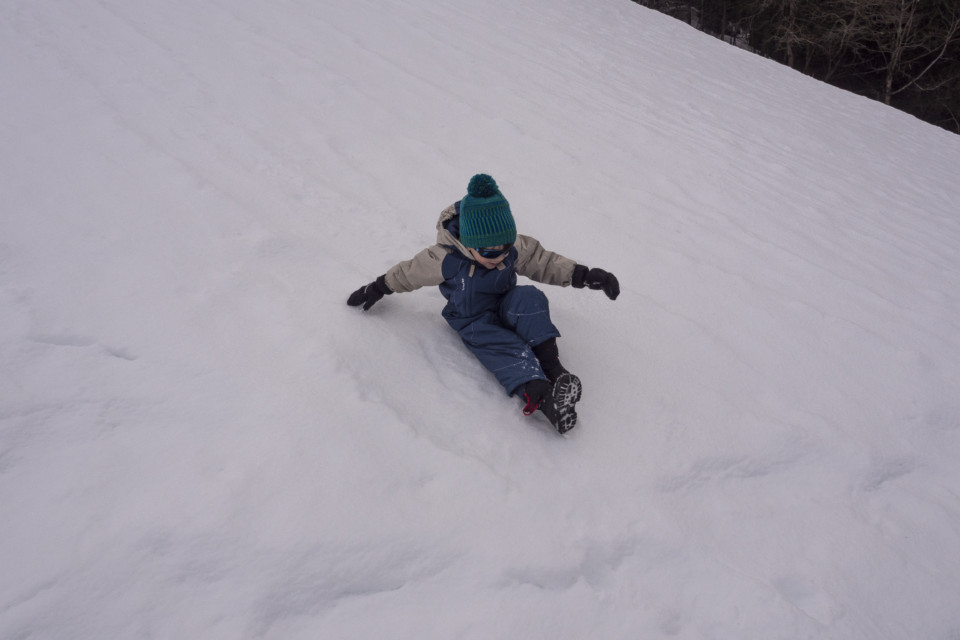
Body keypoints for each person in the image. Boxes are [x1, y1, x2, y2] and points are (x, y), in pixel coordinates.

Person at [347, 174, 619, 433]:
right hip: (472, 319)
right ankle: (545, 399)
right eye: (489, 252)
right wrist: (378, 287)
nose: (499, 257)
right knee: (503, 347)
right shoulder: (444, 258)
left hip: (506, 303)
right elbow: (408, 273)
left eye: (505, 248)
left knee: (529, 298)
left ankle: (555, 370)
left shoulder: (509, 249)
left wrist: (585, 275)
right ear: (469, 243)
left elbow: (543, 261)